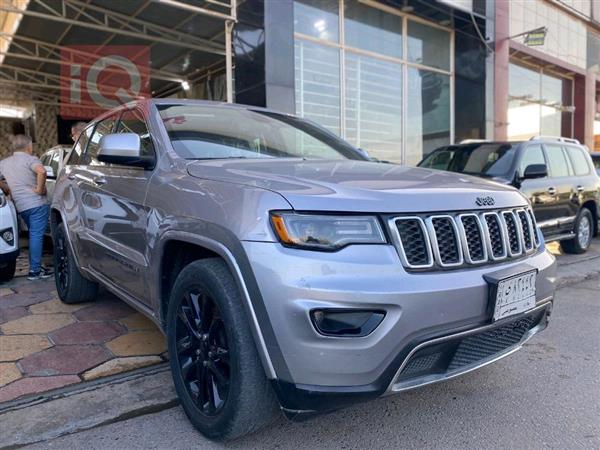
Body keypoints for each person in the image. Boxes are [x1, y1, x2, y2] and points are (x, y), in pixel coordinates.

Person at [0, 135, 53, 280]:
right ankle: (35, 271)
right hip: (36, 204)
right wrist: (40, 190)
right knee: (36, 235)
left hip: (20, 206)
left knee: (33, 235)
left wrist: (7, 188)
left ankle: (36, 266)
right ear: (29, 146)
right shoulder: (31, 159)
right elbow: (41, 171)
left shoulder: (4, 163)